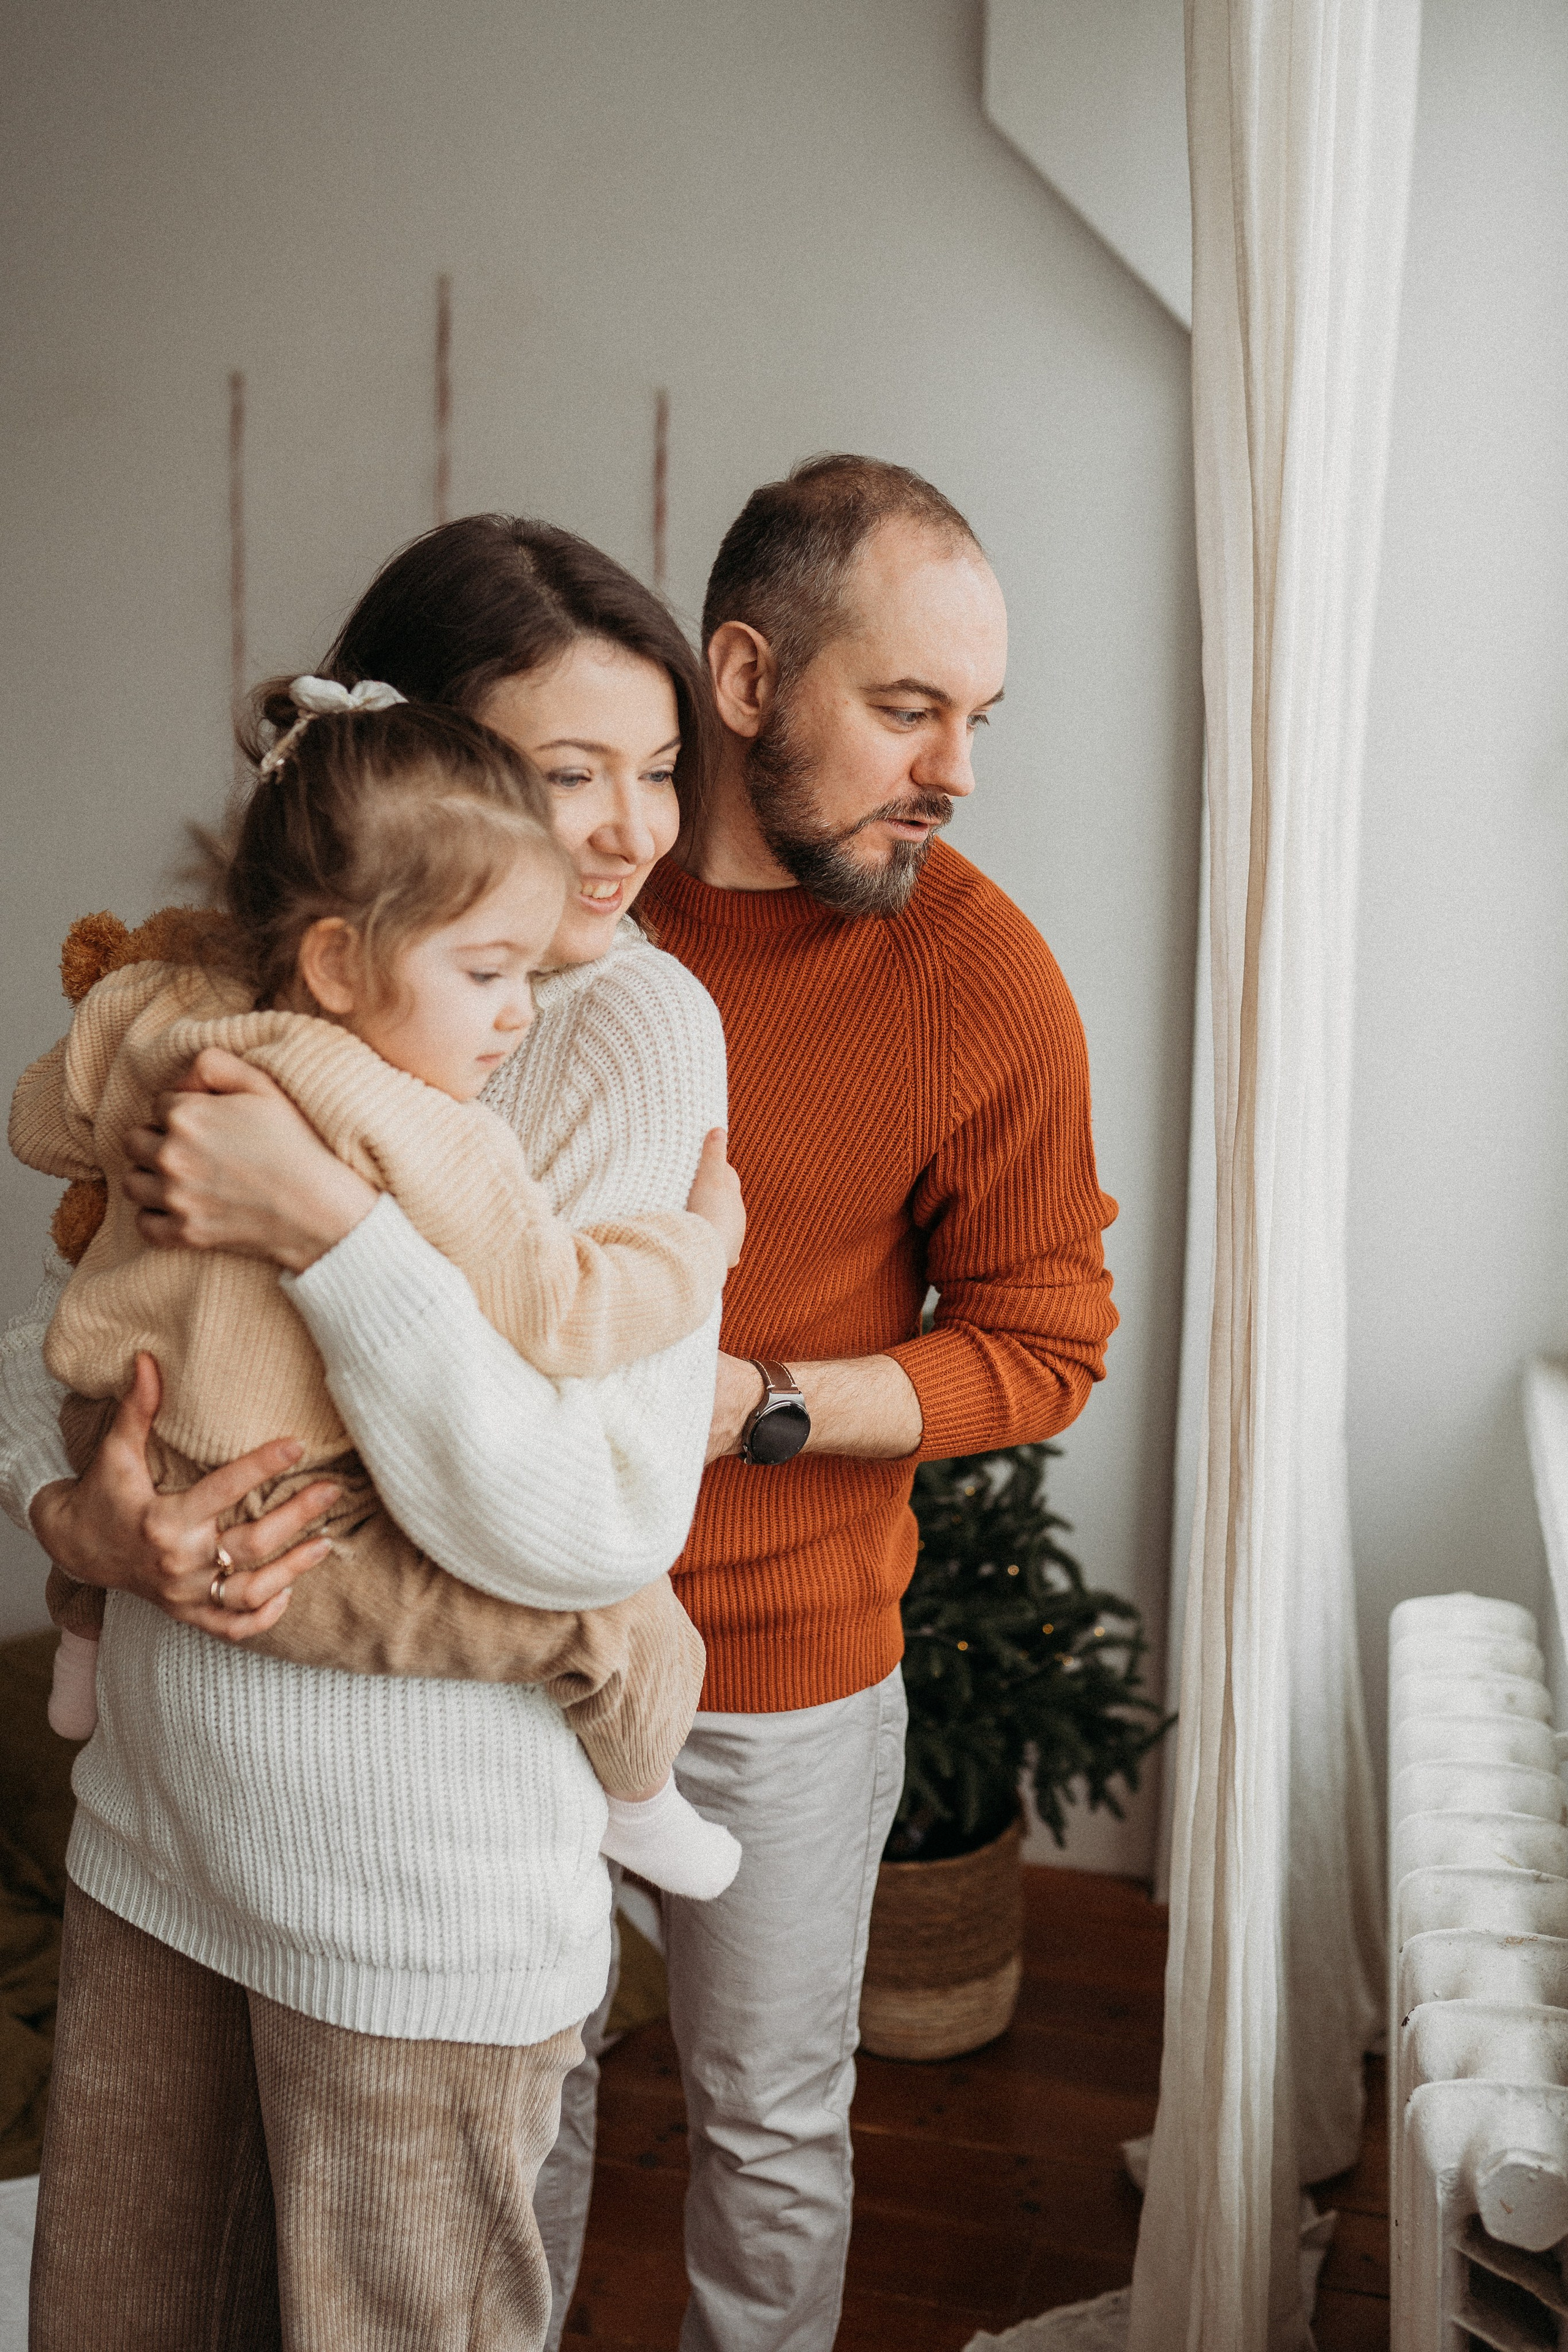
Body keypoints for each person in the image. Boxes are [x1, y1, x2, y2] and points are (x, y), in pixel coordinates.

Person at [78, 459, 1120, 2352]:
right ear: (747, 676)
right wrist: (80, 1510)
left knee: (769, 2124)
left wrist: (764, 1404)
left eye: (976, 720)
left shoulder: (962, 977)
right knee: (529, 2130)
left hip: (778, 1650)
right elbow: (161, 1303)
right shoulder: (454, 943)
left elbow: (1049, 1337)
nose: (955, 770)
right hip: (458, 1676)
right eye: (909, 710)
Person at [0, 519, 741, 2350]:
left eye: (659, 772)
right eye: (570, 775)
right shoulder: (242, 981)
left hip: (412, 1910)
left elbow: (589, 1524)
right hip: (156, 1842)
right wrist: (74, 1519)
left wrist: (328, 1230)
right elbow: (70, 1322)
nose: (634, 830)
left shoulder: (635, 1032)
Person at [12, 677, 744, 1901]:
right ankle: (640, 1793)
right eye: (486, 973)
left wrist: (134, 1084)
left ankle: (78, 1643)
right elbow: (559, 1305)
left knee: (110, 1461)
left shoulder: (165, 1007)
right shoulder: (418, 1118)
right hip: (279, 1520)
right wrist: (700, 1249)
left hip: (117, 1427)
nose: (514, 1016)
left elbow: (44, 1120)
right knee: (617, 1625)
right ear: (344, 959)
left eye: (662, 768)